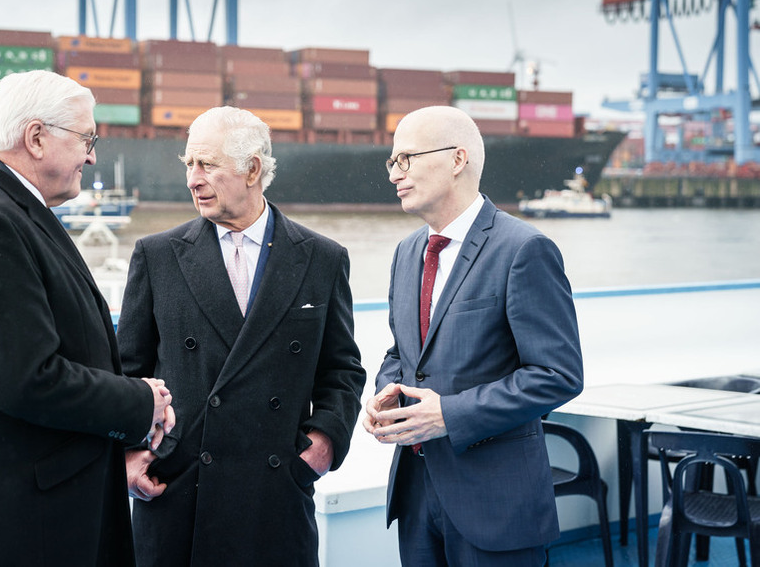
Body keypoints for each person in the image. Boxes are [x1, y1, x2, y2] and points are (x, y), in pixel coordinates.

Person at [0, 69, 174, 567]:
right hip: (7, 521)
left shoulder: (4, 211)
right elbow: (27, 380)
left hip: (29, 508)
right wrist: (141, 402)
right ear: (36, 138)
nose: (92, 156)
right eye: (87, 139)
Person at [116, 105, 366, 566]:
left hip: (275, 495)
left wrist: (325, 442)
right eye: (188, 164)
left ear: (252, 169)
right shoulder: (157, 256)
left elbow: (342, 369)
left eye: (206, 164)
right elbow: (126, 372)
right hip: (177, 492)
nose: (192, 178)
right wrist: (129, 456)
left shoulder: (323, 258)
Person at [363, 105, 584, 566]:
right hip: (416, 493)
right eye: (392, 162)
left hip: (496, 502)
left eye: (406, 159)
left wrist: (449, 414)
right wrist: (388, 392)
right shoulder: (407, 252)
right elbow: (403, 351)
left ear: (457, 159)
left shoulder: (524, 249)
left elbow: (558, 374)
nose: (393, 174)